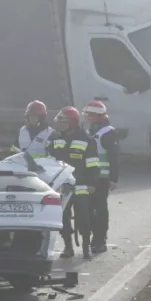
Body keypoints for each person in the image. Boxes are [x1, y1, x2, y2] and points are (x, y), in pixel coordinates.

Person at [47, 106, 98, 258]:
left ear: (73, 122)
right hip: (62, 186)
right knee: (63, 218)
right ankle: (68, 246)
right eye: (59, 120)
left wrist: (92, 184)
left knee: (84, 216)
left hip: (81, 185)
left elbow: (93, 164)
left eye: (63, 121)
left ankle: (85, 247)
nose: (60, 123)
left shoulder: (86, 139)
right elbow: (50, 161)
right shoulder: (54, 138)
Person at [84, 100, 119, 254]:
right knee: (88, 210)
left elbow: (114, 157)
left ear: (97, 115)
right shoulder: (90, 130)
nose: (87, 117)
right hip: (89, 178)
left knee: (100, 209)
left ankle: (100, 239)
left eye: (90, 115)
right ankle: (95, 237)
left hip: (102, 178)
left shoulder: (109, 133)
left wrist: (114, 178)